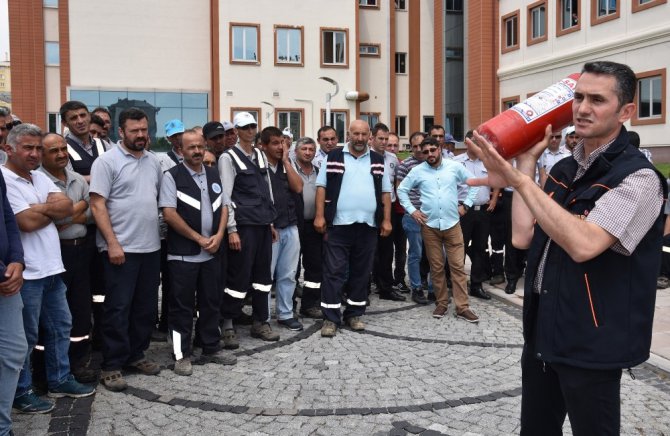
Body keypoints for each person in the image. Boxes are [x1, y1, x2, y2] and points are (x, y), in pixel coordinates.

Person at [468, 60, 666, 435]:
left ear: (625, 111)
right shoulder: (562, 170)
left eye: (597, 99)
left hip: (593, 339)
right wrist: (525, 162)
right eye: (577, 97)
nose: (582, 108)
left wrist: (518, 183)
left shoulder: (638, 178)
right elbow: (523, 236)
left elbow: (583, 244)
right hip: (545, 329)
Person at [3, 124, 95, 414]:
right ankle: (22, 391)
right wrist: (48, 210)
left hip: (53, 268)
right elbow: (24, 224)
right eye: (27, 148)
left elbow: (66, 207)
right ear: (9, 149)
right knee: (26, 338)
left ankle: (59, 379)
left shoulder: (37, 178)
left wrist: (37, 208)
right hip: (26, 273)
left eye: (37, 148)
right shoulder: (4, 179)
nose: (34, 153)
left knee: (60, 327)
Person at [90, 107, 163, 391]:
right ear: (120, 132)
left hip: (150, 248)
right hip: (119, 249)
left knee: (145, 308)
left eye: (144, 130)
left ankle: (136, 354)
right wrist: (112, 243)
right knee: (117, 308)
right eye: (135, 131)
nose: (141, 135)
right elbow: (97, 204)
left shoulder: (154, 161)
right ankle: (112, 364)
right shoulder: (106, 162)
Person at [160, 130, 235, 376]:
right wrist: (199, 238)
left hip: (212, 252)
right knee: (181, 306)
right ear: (180, 150)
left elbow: (224, 206)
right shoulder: (172, 176)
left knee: (211, 301)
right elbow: (169, 213)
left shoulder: (213, 173)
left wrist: (219, 235)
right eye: (191, 147)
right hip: (184, 254)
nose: (197, 151)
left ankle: (211, 347)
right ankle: (182, 355)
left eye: (200, 147)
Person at [314, 120, 392, 337]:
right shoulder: (334, 157)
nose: (359, 138)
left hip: (367, 225)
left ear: (370, 136)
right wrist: (320, 216)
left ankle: (354, 314)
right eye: (355, 134)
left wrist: (386, 220)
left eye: (363, 134)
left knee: (361, 272)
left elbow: (386, 192)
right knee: (334, 271)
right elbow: (321, 187)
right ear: (348, 134)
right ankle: (330, 318)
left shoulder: (378, 160)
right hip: (338, 225)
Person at [398, 136, 480, 322]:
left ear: (440, 148)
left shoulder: (454, 166)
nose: (429, 154)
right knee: (436, 267)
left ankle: (462, 307)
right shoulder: (418, 171)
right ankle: (441, 303)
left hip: (452, 225)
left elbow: (473, 183)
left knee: (458, 267)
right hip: (430, 227)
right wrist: (412, 211)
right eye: (425, 152)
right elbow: (402, 190)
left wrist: (466, 205)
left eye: (432, 150)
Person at [39, 133, 97, 382]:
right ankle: (44, 369)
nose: (61, 154)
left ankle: (77, 362)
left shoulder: (76, 179)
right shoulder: (38, 182)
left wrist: (67, 216)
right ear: (42, 154)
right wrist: (79, 207)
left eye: (63, 149)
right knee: (51, 314)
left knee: (80, 310)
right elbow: (42, 218)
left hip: (81, 251)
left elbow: (94, 211)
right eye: (54, 150)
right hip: (54, 253)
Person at [218, 112, 279, 344]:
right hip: (243, 226)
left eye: (253, 126)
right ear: (237, 131)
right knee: (238, 276)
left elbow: (267, 191)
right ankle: (228, 323)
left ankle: (260, 322)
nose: (250, 131)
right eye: (245, 128)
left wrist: (271, 222)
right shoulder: (228, 158)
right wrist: (231, 229)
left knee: (263, 276)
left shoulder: (260, 156)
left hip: (262, 223)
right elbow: (226, 195)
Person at [261, 127, 303, 331]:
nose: (280, 147)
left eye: (282, 143)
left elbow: (298, 187)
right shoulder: (259, 166)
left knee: (288, 274)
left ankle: (285, 313)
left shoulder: (287, 165)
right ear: (264, 145)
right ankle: (263, 318)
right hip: (270, 229)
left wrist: (287, 160)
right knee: (266, 276)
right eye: (275, 143)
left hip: (290, 225)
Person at [0, 134, 26, 435]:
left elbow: (8, 219)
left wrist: (17, 260)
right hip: (4, 275)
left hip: (8, 277)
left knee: (13, 351)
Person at [454, 131, 500, 300]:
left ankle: (476, 284)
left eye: (480, 141)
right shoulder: (457, 162)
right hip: (463, 212)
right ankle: (456, 283)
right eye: (474, 141)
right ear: (467, 142)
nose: (478, 144)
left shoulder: (488, 162)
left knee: (481, 249)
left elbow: (497, 180)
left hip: (483, 211)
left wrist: (494, 198)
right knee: (460, 247)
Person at [369, 123, 405, 301]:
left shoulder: (392, 159)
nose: (383, 142)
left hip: (387, 209)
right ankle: (363, 288)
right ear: (372, 138)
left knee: (386, 251)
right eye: (380, 138)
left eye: (386, 139)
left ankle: (386, 288)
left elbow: (396, 185)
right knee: (367, 250)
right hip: (369, 208)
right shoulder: (364, 157)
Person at [396, 132, 430, 304]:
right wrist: (412, 211)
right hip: (413, 216)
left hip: (433, 216)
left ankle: (433, 287)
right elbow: (400, 191)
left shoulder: (434, 163)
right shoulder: (405, 165)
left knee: (437, 254)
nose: (418, 149)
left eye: (421, 146)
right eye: (414, 146)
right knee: (415, 253)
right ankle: (416, 287)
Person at [292, 137, 323, 319]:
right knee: (291, 269)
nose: (308, 152)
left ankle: (310, 305)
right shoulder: (289, 170)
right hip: (295, 225)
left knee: (314, 268)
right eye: (304, 149)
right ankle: (289, 307)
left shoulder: (319, 172)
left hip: (314, 226)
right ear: (296, 151)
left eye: (311, 149)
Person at [60, 101, 107, 183]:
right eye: (73, 118)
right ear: (65, 123)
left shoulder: (104, 144)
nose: (80, 121)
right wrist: (105, 177)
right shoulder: (62, 149)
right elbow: (70, 179)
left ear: (89, 116)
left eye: (83, 115)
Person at [387, 131, 408, 291]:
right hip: (387, 211)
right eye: (390, 145)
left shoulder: (402, 164)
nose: (393, 148)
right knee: (385, 249)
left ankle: (400, 278)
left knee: (401, 248)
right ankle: (382, 278)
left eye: (395, 145)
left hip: (401, 212)